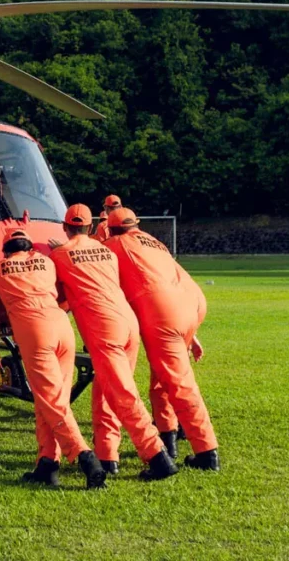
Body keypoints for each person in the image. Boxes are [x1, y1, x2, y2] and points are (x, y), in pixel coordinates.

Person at [0, 229, 106, 489]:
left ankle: (85, 457)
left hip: (35, 333)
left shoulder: (0, 268)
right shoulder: (48, 264)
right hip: (63, 328)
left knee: (51, 402)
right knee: (52, 400)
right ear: (30, 247)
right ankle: (47, 463)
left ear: (6, 250)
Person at [48, 203, 178, 480]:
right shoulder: (106, 250)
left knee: (123, 394)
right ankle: (108, 456)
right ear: (91, 227)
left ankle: (158, 457)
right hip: (128, 323)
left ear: (65, 227)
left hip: (104, 330)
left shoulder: (60, 255)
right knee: (105, 391)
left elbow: (57, 297)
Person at [102, 208, 219, 470]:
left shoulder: (113, 245)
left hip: (163, 312)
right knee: (162, 381)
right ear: (137, 225)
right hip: (189, 303)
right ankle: (169, 437)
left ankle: (207, 452)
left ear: (109, 228)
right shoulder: (154, 242)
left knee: (179, 384)